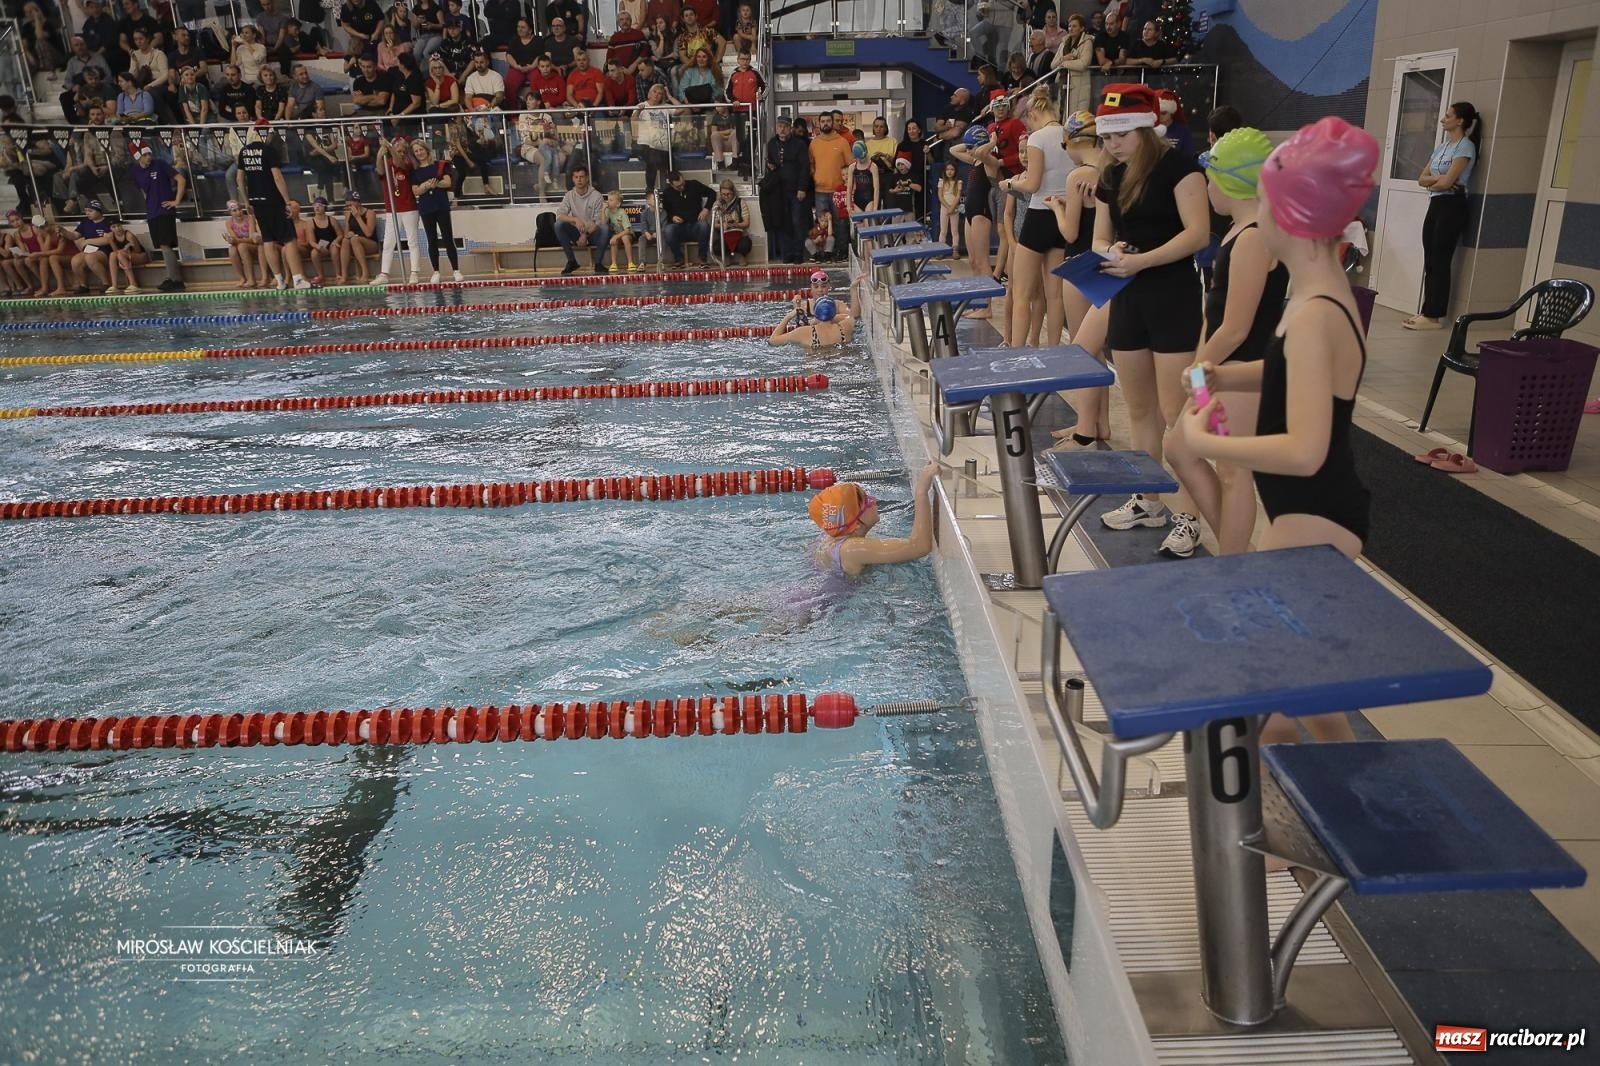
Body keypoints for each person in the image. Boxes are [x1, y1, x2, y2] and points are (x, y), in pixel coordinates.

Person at [1176, 116, 1378, 743]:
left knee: (1264, 703)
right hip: (1314, 511)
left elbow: (1307, 450)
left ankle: (1301, 802)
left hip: (1315, 516)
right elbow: (1291, 373)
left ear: (1292, 216)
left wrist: (1210, 443)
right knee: (1304, 688)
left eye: (1264, 202)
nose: (1257, 216)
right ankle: (1343, 786)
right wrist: (1227, 375)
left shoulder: (1315, 313)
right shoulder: (1319, 295)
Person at [1157, 127, 1287, 559]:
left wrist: (1198, 369)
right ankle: (1238, 551)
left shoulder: (1254, 238)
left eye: (1211, 179)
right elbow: (1214, 315)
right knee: (1181, 450)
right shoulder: (1238, 231)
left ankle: (1234, 565)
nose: (1207, 189)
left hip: (1239, 374)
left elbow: (1236, 328)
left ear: (1231, 181)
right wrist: (1197, 370)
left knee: (1232, 470)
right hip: (1215, 371)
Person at [1091, 84, 1209, 534]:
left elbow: (1197, 234)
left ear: (1146, 128)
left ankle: (1190, 514)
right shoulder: (1110, 176)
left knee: (1177, 411)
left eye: (1121, 135)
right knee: (1140, 409)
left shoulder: (1180, 168)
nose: (1113, 144)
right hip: (1128, 295)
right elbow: (1099, 237)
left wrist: (1142, 261)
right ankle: (1148, 500)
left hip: (1173, 295)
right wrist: (1111, 251)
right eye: (1107, 137)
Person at [1045, 110, 1113, 447]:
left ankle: (1086, 427)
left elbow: (1070, 232)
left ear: (1070, 142)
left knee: (1083, 349)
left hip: (1080, 264)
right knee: (1096, 348)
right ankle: (1101, 423)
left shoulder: (1078, 176)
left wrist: (1057, 208)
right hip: (1107, 264)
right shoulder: (1112, 170)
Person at [1000, 86, 1072, 347]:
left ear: (1032, 115)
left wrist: (1010, 184)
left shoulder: (1037, 139)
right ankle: (1053, 351)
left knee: (1021, 293)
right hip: (1062, 215)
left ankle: (1018, 352)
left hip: (1039, 215)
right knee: (1055, 296)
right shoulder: (1069, 134)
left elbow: (1032, 184)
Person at [1407, 101, 1479, 331]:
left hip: (1453, 206)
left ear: (1460, 120)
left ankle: (1434, 315)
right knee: (1430, 257)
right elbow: (1422, 178)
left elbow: (1448, 183)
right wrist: (1438, 181)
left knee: (1441, 259)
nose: (1442, 119)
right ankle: (1427, 310)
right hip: (1436, 203)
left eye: (1448, 116)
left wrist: (1438, 182)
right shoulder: (1442, 147)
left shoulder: (1465, 147)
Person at [806, 462, 940, 579]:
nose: (874, 500)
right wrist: (921, 491)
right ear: (856, 524)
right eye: (868, 501)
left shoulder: (832, 535)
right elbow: (919, 547)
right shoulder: (851, 549)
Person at [237, 121, 312, 290]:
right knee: (289, 239)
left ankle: (279, 281)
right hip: (273, 200)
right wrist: (287, 201)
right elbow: (277, 177)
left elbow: (239, 180)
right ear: (266, 133)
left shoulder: (244, 152)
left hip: (256, 202)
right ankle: (298, 280)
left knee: (268, 240)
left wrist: (246, 201)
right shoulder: (268, 150)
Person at [130, 143, 187, 291]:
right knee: (162, 246)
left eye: (149, 154)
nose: (149, 157)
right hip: (152, 212)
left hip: (165, 210)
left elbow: (181, 179)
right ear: (138, 157)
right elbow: (143, 191)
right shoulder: (135, 171)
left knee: (165, 245)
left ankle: (177, 281)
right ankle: (171, 277)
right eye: (145, 155)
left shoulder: (160, 164)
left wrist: (176, 201)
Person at [407, 137, 464, 283]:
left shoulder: (440, 165)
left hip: (441, 205)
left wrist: (434, 184)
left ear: (426, 150)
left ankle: (456, 270)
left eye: (421, 149)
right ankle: (436, 271)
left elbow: (447, 182)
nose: (419, 153)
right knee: (431, 240)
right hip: (426, 207)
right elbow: (415, 191)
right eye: (416, 151)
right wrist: (426, 186)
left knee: (447, 237)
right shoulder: (415, 171)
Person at [374, 134, 424, 284]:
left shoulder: (408, 163)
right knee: (389, 243)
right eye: (398, 151)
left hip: (409, 208)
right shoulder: (387, 163)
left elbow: (399, 163)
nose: (401, 153)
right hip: (392, 209)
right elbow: (380, 171)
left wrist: (390, 147)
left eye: (403, 151)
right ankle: (384, 274)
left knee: (412, 241)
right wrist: (380, 154)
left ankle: (414, 273)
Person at [769, 272, 866, 348]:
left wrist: (788, 316)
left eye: (823, 286)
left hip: (815, 360)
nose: (820, 290)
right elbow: (854, 316)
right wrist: (853, 288)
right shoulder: (845, 327)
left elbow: (773, 341)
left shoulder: (803, 332)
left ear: (815, 313)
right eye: (816, 286)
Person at [555, 163, 611, 273]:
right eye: (576, 177)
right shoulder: (569, 195)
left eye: (581, 177)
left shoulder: (596, 196)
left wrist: (585, 235)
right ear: (573, 179)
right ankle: (572, 261)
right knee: (558, 225)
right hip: (576, 233)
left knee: (605, 228)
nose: (579, 180)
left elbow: (598, 221)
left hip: (592, 233)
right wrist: (575, 219)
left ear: (587, 178)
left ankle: (598, 263)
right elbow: (560, 215)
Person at [660, 168, 714, 267]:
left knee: (704, 225)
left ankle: (702, 257)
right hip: (679, 227)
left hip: (695, 224)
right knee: (668, 230)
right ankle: (678, 257)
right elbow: (666, 210)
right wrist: (673, 217)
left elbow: (712, 193)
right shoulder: (667, 193)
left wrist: (706, 209)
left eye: (683, 183)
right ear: (671, 185)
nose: (682, 187)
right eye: (678, 186)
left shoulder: (694, 185)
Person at [1054, 13, 1094, 116]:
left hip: (1080, 85)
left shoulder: (1087, 42)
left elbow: (1083, 64)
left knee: (1077, 118)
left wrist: (1063, 63)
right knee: (1062, 115)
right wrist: (1064, 59)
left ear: (1082, 28)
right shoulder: (1064, 42)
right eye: (1069, 26)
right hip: (1063, 83)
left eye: (1074, 26)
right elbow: (1053, 65)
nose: (1071, 29)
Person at [221, 198, 265, 287]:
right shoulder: (229, 223)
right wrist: (230, 240)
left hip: (254, 247)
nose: (238, 212)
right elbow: (234, 239)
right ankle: (242, 278)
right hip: (242, 246)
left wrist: (237, 240)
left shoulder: (249, 219)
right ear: (230, 212)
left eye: (240, 209)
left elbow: (252, 239)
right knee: (232, 250)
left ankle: (251, 279)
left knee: (242, 246)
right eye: (234, 210)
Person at [340, 192, 379, 282]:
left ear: (358, 202)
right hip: (355, 244)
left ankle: (365, 273)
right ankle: (344, 275)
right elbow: (346, 235)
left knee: (354, 239)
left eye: (350, 205)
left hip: (371, 244)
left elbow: (368, 233)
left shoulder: (370, 213)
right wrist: (349, 234)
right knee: (345, 240)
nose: (349, 207)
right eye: (347, 206)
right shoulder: (348, 214)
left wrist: (358, 217)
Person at [711, 177, 747, 265]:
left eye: (728, 194)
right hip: (724, 235)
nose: (726, 196)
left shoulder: (740, 202)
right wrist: (723, 225)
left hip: (738, 234)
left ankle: (741, 256)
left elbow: (746, 223)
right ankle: (726, 256)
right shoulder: (717, 204)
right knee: (716, 247)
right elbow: (714, 224)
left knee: (745, 244)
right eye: (723, 194)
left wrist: (736, 224)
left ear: (733, 192)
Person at [602, 189, 638, 271]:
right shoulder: (607, 211)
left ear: (618, 204)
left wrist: (616, 236)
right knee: (614, 241)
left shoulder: (622, 212)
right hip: (617, 235)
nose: (608, 202)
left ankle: (630, 262)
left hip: (627, 234)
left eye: (611, 200)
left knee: (624, 238)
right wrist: (603, 210)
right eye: (608, 199)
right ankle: (614, 263)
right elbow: (603, 223)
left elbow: (627, 230)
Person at [936, 160, 961, 251]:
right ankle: (941, 250)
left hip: (954, 208)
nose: (949, 171)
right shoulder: (941, 182)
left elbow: (958, 196)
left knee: (954, 230)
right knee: (943, 230)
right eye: (947, 169)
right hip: (944, 208)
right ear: (944, 171)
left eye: (952, 169)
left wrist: (952, 207)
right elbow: (940, 196)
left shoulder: (958, 182)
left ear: (955, 171)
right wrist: (948, 207)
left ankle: (955, 249)